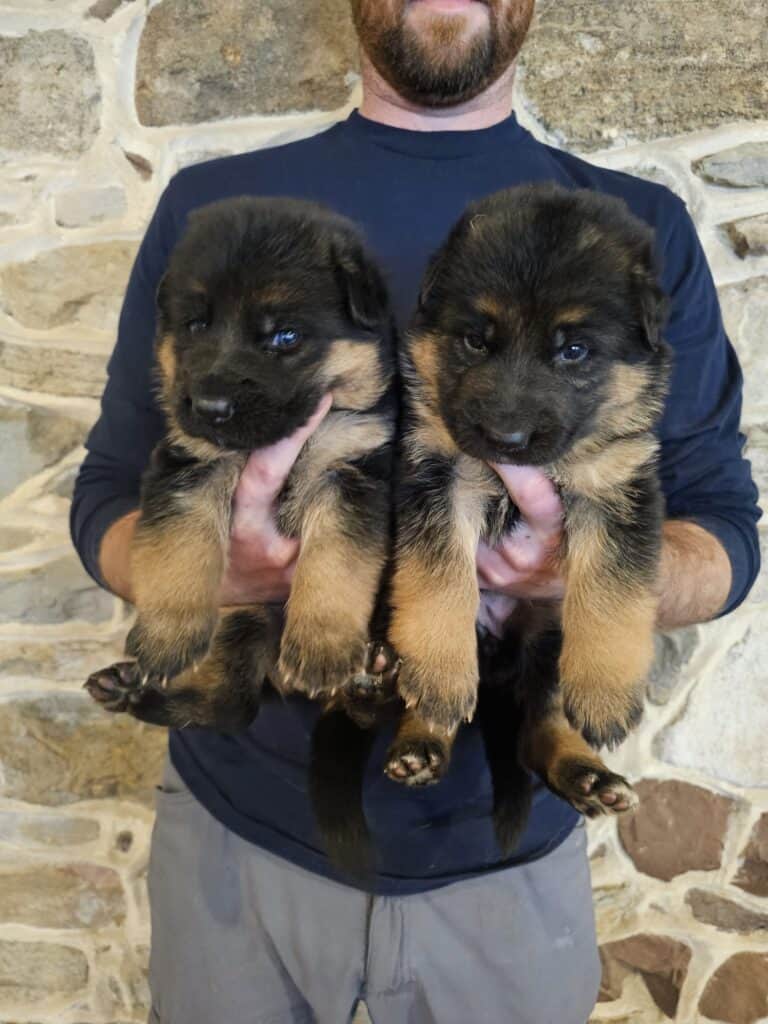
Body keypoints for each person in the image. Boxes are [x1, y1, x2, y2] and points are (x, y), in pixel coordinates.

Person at [71, 2, 760, 1021]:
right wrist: (229, 572)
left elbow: (725, 526)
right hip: (236, 840)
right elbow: (111, 489)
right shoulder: (215, 208)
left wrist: (574, 575)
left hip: (505, 873)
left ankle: (542, 740)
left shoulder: (636, 228)